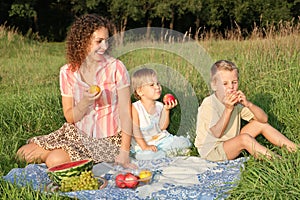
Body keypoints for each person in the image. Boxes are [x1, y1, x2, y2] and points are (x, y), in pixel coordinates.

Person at [17, 14, 135, 169]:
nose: (105, 46)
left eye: (107, 41)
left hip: (108, 139)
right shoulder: (67, 72)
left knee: (55, 161)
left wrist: (124, 151)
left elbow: (126, 112)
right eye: (99, 41)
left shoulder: (116, 67)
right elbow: (70, 117)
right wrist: (85, 101)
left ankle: (62, 154)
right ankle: (66, 152)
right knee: (22, 154)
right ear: (83, 41)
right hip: (76, 134)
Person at [194, 60, 297, 161]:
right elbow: (216, 133)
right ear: (214, 85)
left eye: (234, 82)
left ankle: (295, 149)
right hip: (212, 150)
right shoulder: (209, 104)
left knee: (259, 124)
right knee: (244, 139)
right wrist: (228, 109)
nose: (231, 87)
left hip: (229, 142)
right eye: (225, 83)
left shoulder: (236, 102)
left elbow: (263, 119)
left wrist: (248, 104)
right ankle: (279, 161)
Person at [130, 68, 191, 160]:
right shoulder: (135, 108)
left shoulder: (159, 105)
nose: (157, 87)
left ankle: (165, 153)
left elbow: (162, 127)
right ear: (140, 91)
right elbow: (135, 131)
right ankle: (164, 154)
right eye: (152, 85)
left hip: (161, 140)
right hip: (144, 143)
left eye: (158, 83)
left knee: (184, 143)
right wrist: (145, 147)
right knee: (146, 155)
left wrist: (166, 110)